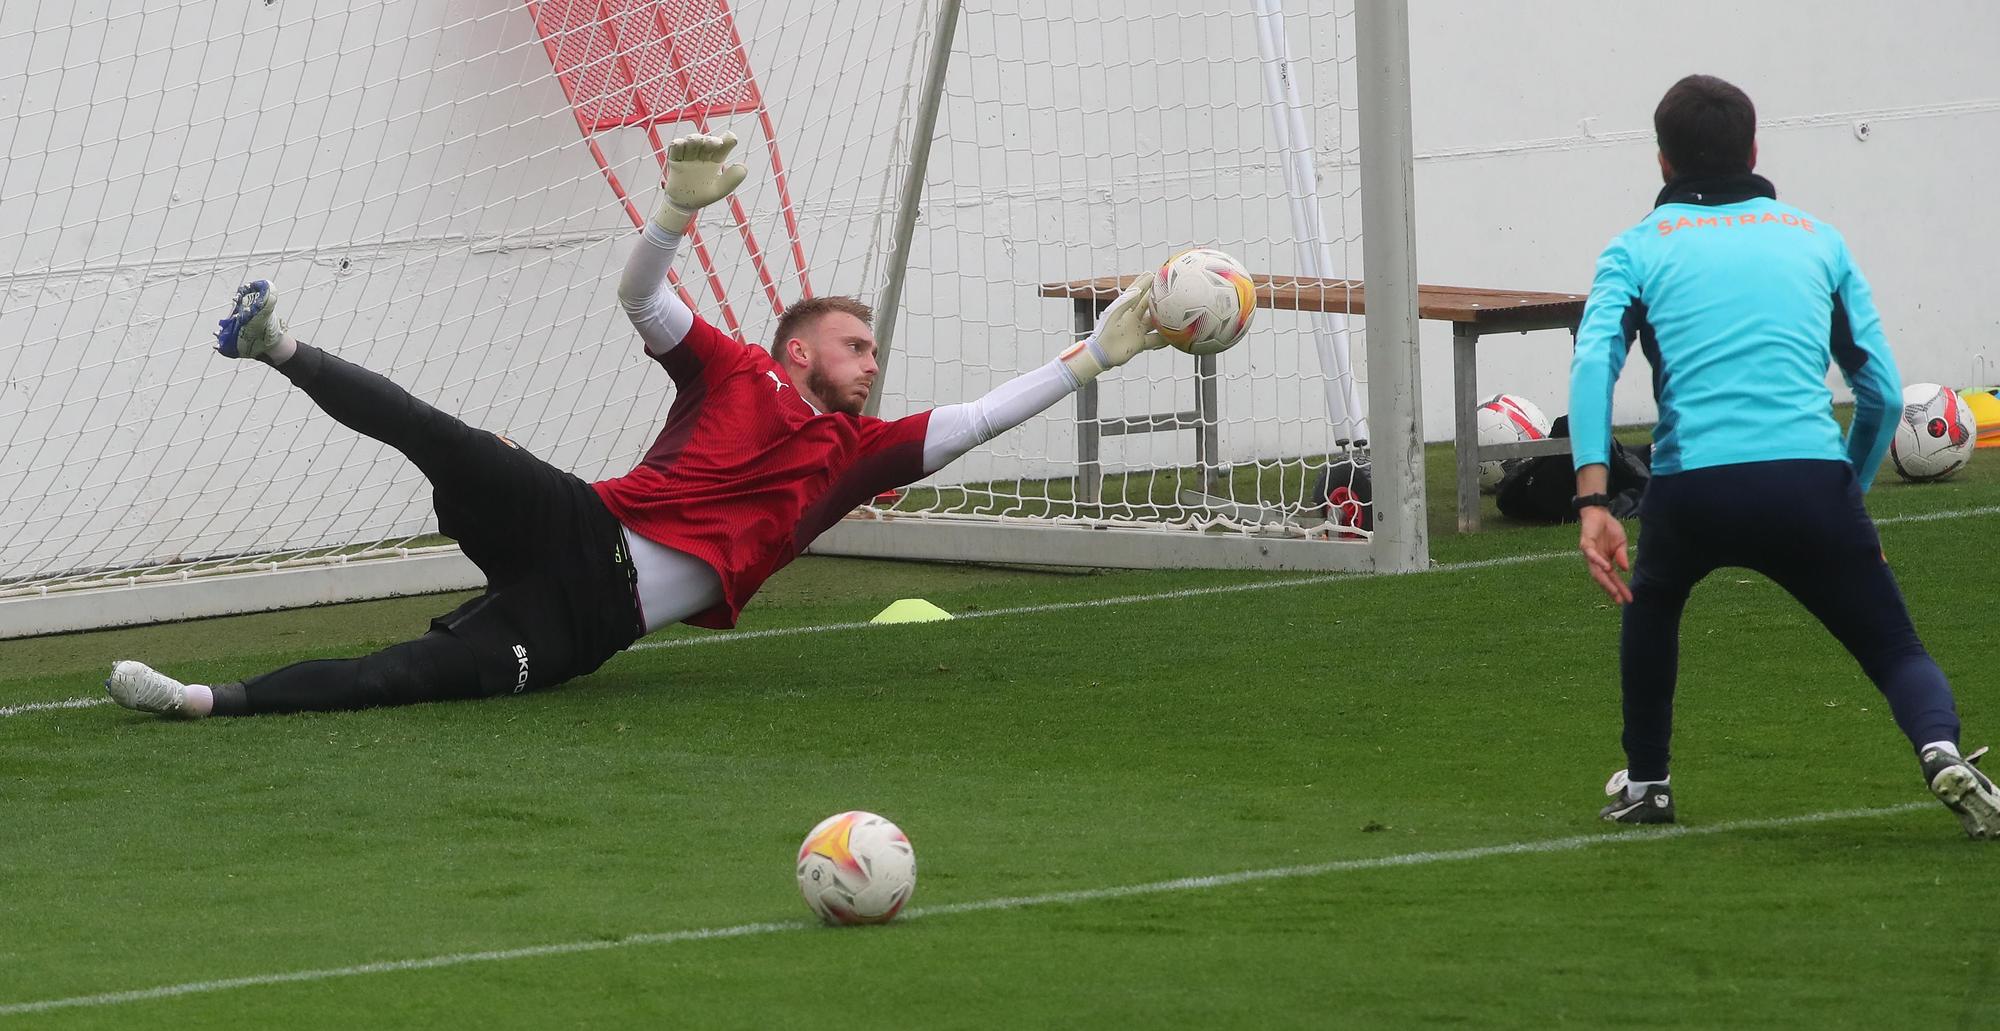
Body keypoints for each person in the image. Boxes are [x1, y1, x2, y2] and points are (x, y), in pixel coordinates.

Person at [104, 132, 1171, 719]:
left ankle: (204, 699)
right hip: (579, 524)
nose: (870, 361)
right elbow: (642, 301)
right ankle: (277, 343)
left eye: (872, 350)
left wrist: (1094, 356)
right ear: (798, 349)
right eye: (854, 344)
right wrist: (675, 210)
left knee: (413, 679)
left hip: (587, 631)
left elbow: (981, 418)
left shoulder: (858, 455)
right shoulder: (734, 369)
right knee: (448, 437)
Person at [1569, 74, 1996, 838]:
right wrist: (1849, 494)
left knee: (1653, 601)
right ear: (1756, 149)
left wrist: (1594, 499)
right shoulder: (1816, 238)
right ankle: (1940, 746)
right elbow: (1883, 395)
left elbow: (1594, 361)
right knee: (1893, 643)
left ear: (1662, 163)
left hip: (1692, 487)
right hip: (1808, 482)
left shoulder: (1635, 248)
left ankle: (1649, 781)